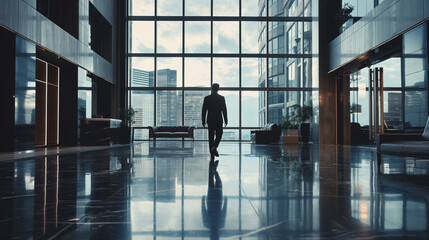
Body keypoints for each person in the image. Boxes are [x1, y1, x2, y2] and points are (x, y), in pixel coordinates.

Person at [202, 83, 228, 157]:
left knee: (211, 136)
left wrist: (203, 121)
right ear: (218, 89)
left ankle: (212, 150)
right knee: (219, 134)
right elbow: (224, 110)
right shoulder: (221, 98)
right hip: (219, 119)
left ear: (212, 88)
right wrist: (226, 120)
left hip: (210, 120)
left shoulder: (207, 98)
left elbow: (204, 111)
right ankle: (214, 147)